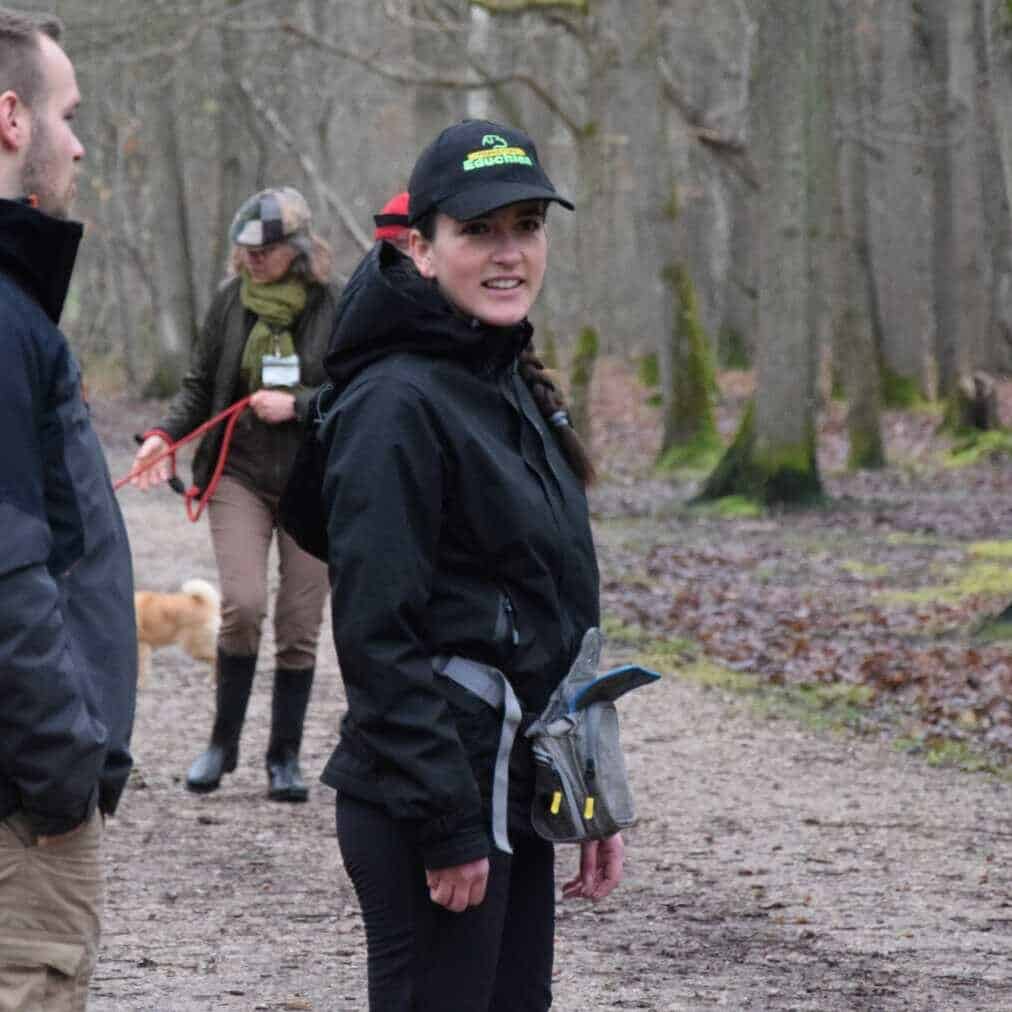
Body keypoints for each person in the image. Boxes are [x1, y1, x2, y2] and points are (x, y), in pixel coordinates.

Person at [317, 119, 622, 1011]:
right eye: (478, 230)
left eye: (526, 226)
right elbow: (378, 637)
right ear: (419, 247)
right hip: (428, 805)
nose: (508, 253)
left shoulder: (504, 379)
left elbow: (554, 613)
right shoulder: (394, 402)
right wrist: (447, 827)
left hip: (511, 795)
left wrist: (587, 794)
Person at [0, 9, 137, 1010]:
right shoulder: (5, 325)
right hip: (19, 823)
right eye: (69, 112)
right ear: (11, 118)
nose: (81, 141)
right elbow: (9, 570)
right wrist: (61, 777)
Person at [131, 187, 336, 803]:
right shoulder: (229, 304)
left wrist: (297, 403)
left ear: (296, 250)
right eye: (244, 249)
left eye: (264, 251)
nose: (251, 260)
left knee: (300, 623)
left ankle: (285, 757)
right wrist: (163, 436)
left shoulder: (335, 305)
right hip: (237, 473)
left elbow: (358, 392)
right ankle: (222, 744)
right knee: (242, 605)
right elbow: (197, 386)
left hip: (313, 483)